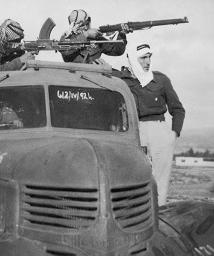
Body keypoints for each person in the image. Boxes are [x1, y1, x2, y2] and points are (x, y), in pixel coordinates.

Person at [113, 43, 185, 205]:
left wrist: (173, 134)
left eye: (149, 57)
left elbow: (178, 109)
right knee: (134, 178)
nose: (147, 62)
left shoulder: (160, 80)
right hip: (134, 133)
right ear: (132, 59)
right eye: (143, 58)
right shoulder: (121, 80)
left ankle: (159, 218)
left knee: (160, 181)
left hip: (159, 132)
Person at [59, 9, 130, 64]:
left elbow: (117, 51)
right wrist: (86, 34)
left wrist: (121, 34)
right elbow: (64, 50)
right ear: (74, 25)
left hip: (95, 76)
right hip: (75, 77)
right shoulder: (67, 38)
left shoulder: (95, 38)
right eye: (82, 25)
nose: (86, 28)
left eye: (87, 24)